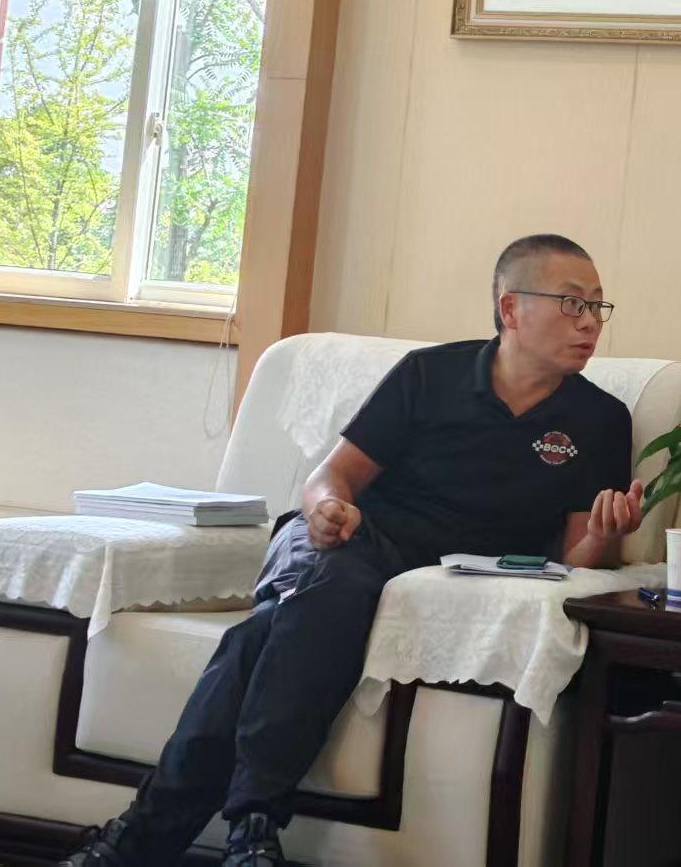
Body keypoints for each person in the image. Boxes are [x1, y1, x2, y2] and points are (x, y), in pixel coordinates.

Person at [60, 235, 646, 867]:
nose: (590, 322)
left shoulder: (601, 419)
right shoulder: (430, 375)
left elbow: (572, 559)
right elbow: (331, 477)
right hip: (353, 538)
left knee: (261, 637)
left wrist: (603, 535)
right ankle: (251, 827)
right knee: (332, 584)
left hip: (439, 576)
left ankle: (150, 841)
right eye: (571, 303)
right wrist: (326, 509)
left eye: (597, 306)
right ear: (511, 309)